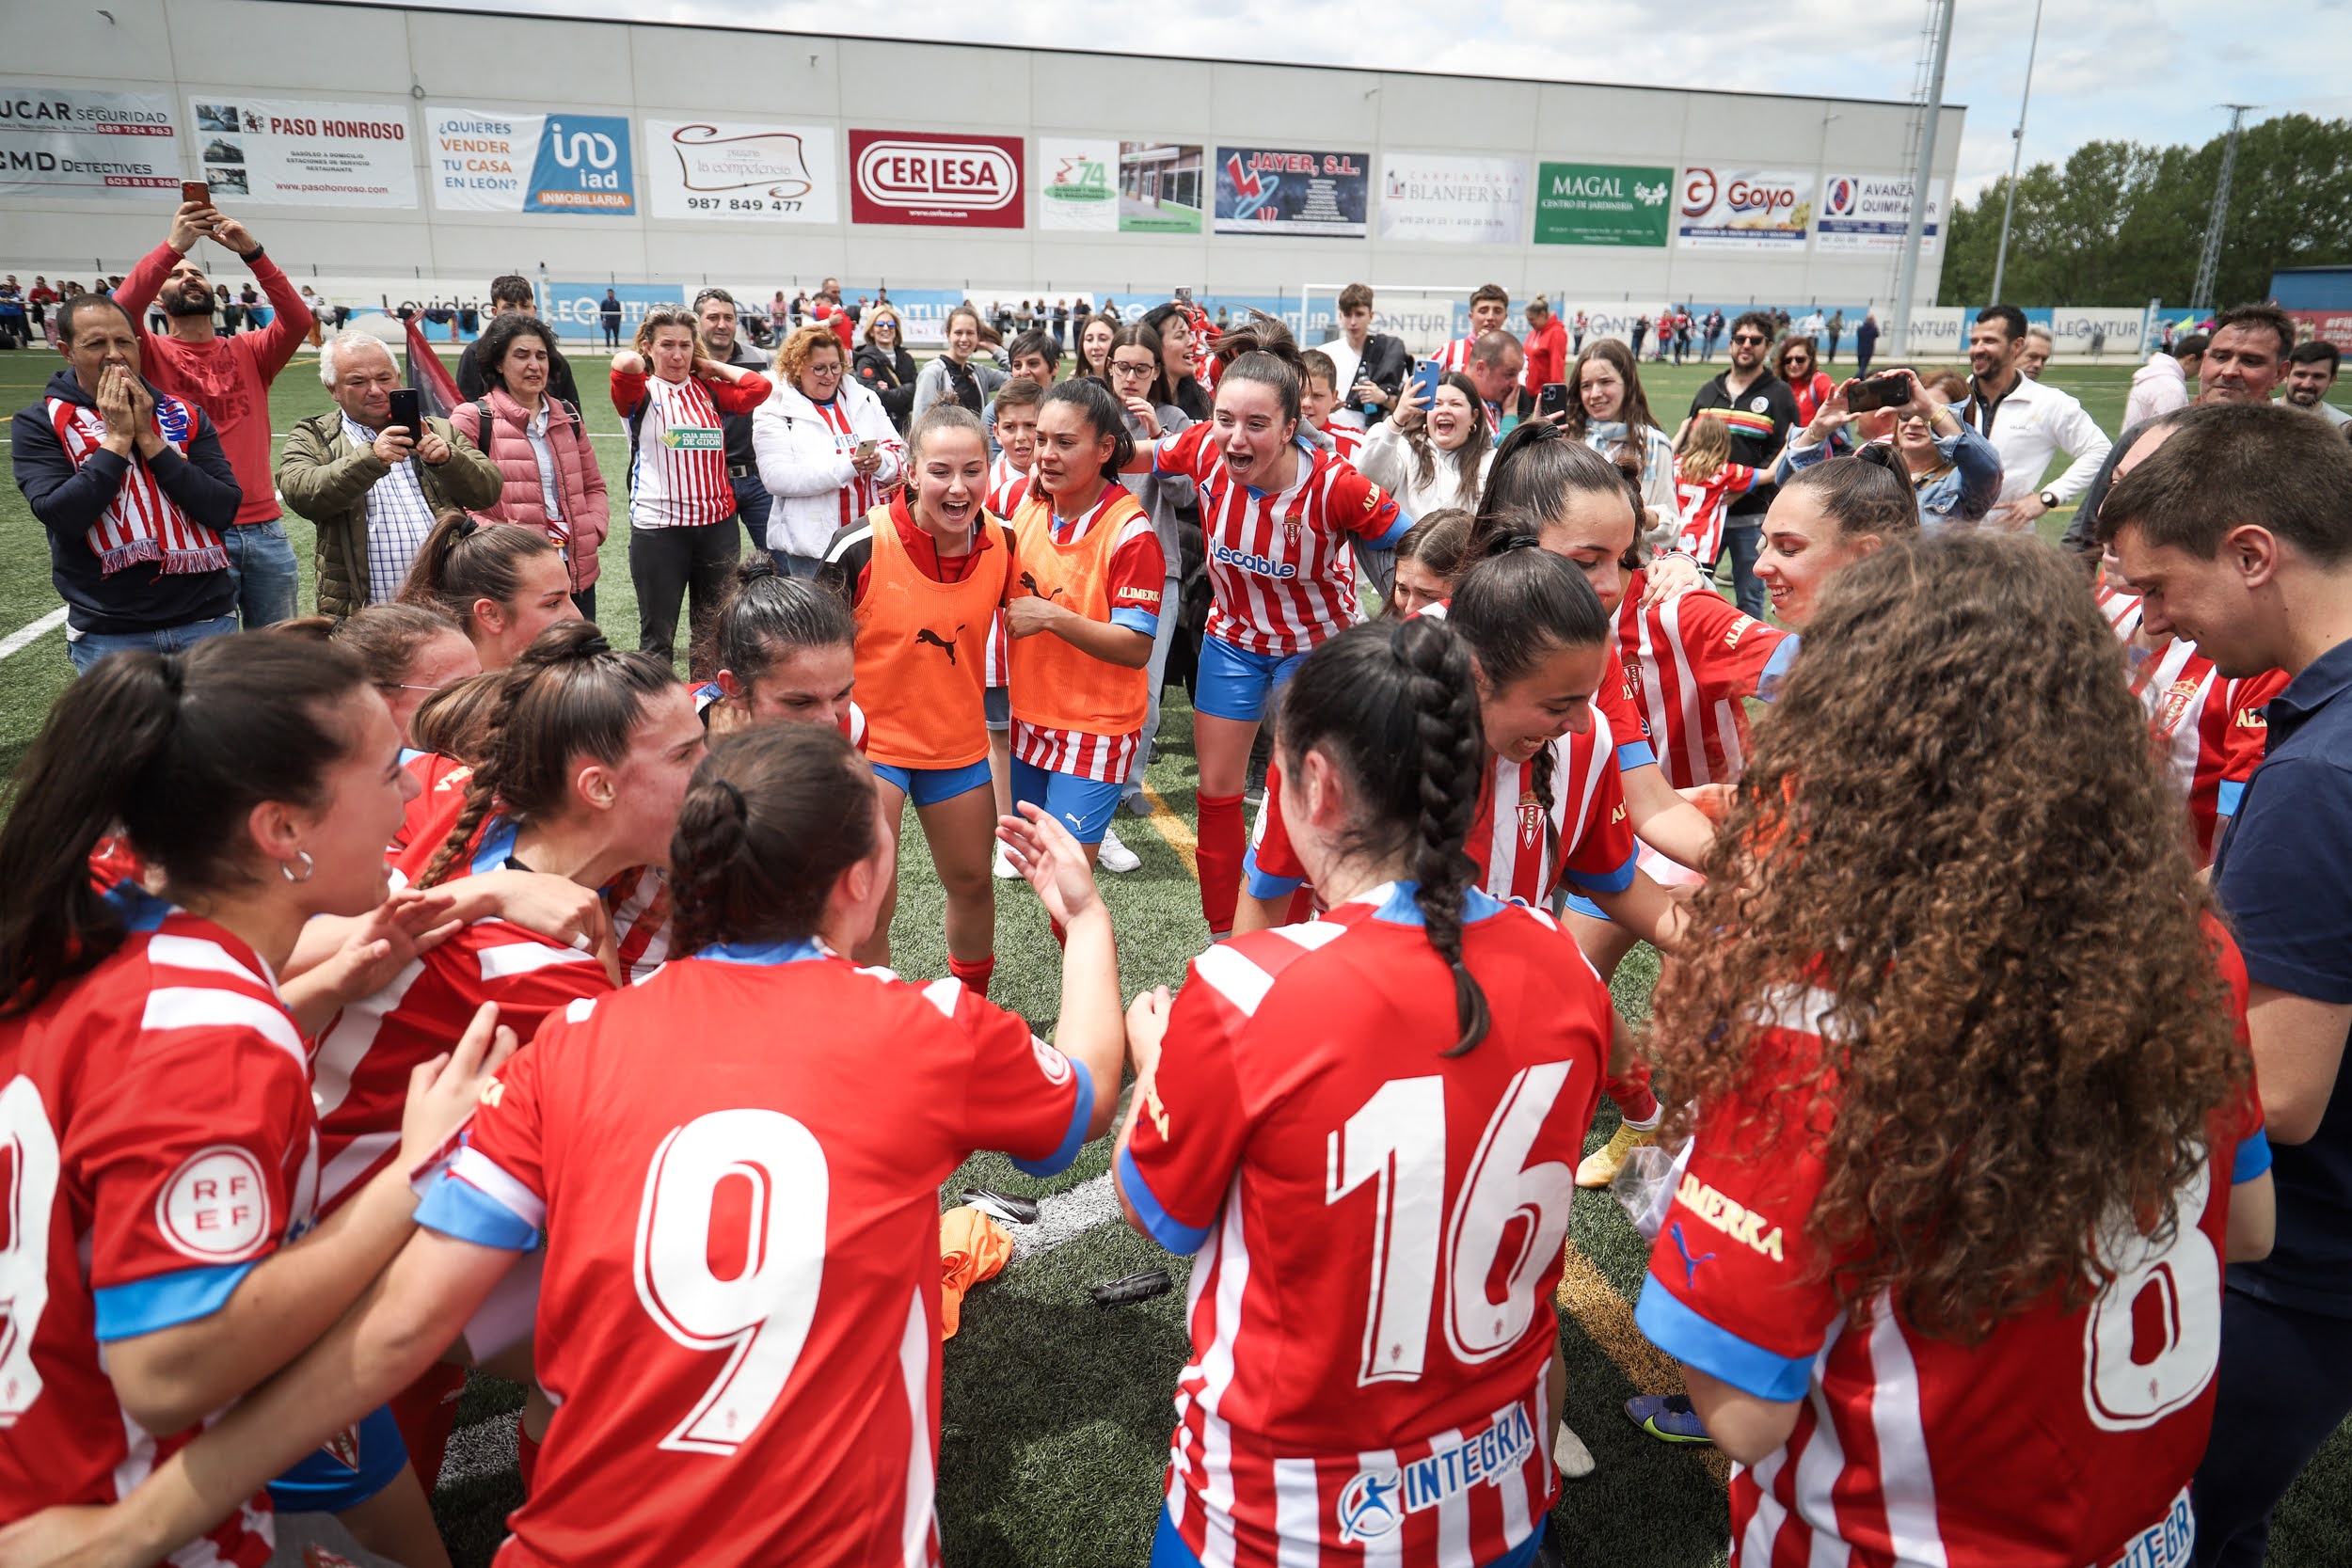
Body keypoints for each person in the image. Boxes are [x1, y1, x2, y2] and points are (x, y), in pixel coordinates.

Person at [37, 721, 1123, 1568]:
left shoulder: (574, 1038)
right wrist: (1088, 928)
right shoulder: (918, 1022)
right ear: (858, 882)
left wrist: (139, 1525)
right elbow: (1076, 1105)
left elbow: (404, 1326)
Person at [1634, 531, 2272, 1566]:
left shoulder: (1827, 1011)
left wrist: (1685, 1189)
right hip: (2142, 1528)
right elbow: (2246, 1223)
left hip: (1910, 1533)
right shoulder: (2187, 941)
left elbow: (1744, 1412)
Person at [0, 632, 510, 1568]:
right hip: (98, 1502)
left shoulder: (102, 916)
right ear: (281, 829)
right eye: (390, 767)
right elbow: (170, 1367)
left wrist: (318, 987)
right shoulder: (212, 1038)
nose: (410, 790)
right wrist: (416, 1167)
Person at [1116, 611, 1613, 1564]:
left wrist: (1151, 1060)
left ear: (1315, 779)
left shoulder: (1248, 987)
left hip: (1282, 1516)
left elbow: (1159, 1213)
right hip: (1496, 1498)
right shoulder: (1563, 962)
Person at [2086, 404, 2352, 1565]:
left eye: (2159, 586)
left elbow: (2279, 1089)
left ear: (2252, 552)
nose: (2152, 620)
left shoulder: (2317, 775)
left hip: (2290, 1266)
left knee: (2182, 1529)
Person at [1129, 325, 1408, 939]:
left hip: (1315, 656)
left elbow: (1414, 539)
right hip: (1231, 645)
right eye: (1225, 418)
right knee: (1218, 795)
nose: (1235, 437)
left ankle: (1323, 931)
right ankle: (1223, 935)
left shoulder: (1337, 484)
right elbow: (1138, 457)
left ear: (1289, 427)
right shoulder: (1204, 448)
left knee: (1317, 801)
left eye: (1256, 424)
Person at [822, 404, 1012, 991]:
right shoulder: (859, 545)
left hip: (957, 745)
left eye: (973, 470)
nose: (958, 487)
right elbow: (808, 652)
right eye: (940, 471)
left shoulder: (1005, 542)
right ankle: (872, 1024)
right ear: (909, 471)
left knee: (974, 882)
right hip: (868, 748)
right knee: (872, 899)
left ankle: (971, 1009)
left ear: (990, 470)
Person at [13, 293, 241, 673]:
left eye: (123, 342)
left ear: (138, 343)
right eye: (96, 344)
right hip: (110, 633)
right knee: (129, 735)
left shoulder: (183, 414)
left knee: (215, 734)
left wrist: (150, 441)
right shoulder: (39, 423)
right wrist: (117, 440)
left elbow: (222, 508)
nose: (114, 354)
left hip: (206, 622)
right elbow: (63, 515)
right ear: (66, 351)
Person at [113, 199, 309, 627]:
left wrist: (251, 252)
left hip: (265, 530)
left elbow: (298, 320)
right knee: (210, 662)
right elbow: (121, 314)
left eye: (196, 272)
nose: (188, 277)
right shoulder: (148, 352)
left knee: (279, 657)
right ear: (158, 299)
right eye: (176, 275)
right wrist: (173, 247)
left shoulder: (250, 350)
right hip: (189, 529)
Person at [1003, 379, 1167, 873]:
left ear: (1105, 449)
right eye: (1041, 440)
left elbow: (1136, 646)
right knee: (1038, 870)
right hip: (1028, 717)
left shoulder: (1131, 533)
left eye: (1065, 443)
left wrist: (1051, 617)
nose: (1046, 455)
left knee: (1066, 881)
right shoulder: (1025, 502)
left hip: (1094, 730)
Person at [280, 329, 504, 619]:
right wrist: (371, 458)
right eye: (358, 381)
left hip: (447, 604)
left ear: (398, 378)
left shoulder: (439, 428)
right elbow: (302, 494)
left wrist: (449, 459)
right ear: (332, 389)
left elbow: (488, 491)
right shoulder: (313, 435)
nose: (375, 390)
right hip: (364, 612)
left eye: (384, 378)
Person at [2064, 305, 2295, 562]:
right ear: (2205, 360)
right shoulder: (2147, 435)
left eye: (2251, 361)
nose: (2229, 371)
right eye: (2220, 357)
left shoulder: (2295, 452)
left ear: (2280, 374)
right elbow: (2082, 537)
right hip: (2133, 596)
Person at [612, 305, 772, 666]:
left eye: (686, 345)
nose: (677, 354)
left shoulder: (709, 390)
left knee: (713, 636)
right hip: (660, 531)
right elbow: (625, 366)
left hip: (717, 529)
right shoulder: (641, 394)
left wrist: (711, 365)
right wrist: (642, 355)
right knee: (658, 638)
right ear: (648, 346)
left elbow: (758, 387)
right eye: (667, 345)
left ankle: (708, 713)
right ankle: (657, 716)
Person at [449, 311, 611, 623]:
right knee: (522, 666)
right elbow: (457, 502)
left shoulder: (568, 415)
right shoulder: (472, 418)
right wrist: (499, 545)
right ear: (498, 362)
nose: (534, 365)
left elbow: (594, 486)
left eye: (541, 355)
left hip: (574, 571)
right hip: (511, 575)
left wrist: (593, 528)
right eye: (521, 355)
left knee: (574, 665)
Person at [1103, 324, 1199, 832]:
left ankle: (1131, 783)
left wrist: (1159, 440)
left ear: (1157, 372)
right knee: (1096, 680)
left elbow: (1187, 498)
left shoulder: (1175, 418)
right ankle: (1094, 776)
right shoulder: (1091, 414)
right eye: (1123, 367)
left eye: (1142, 368)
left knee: (1147, 686)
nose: (1132, 377)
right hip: (1093, 562)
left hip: (1157, 567)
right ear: (1108, 367)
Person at [755, 323, 904, 580]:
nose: (829, 375)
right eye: (819, 368)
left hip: (872, 539)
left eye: (835, 366)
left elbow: (900, 453)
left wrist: (881, 463)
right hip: (814, 549)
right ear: (796, 367)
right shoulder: (774, 408)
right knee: (819, 620)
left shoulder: (865, 398)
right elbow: (777, 477)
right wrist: (847, 466)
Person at [1779, 367, 2003, 533]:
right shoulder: (1871, 460)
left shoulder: (1961, 484)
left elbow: (1987, 470)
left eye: (1925, 415)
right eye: (1907, 411)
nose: (1914, 422)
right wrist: (1816, 430)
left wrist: (1931, 411)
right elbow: (1799, 489)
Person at [1958, 305, 2110, 532]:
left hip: (2007, 544)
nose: (1977, 349)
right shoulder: (1951, 396)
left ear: (2016, 346)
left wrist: (2050, 496)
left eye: (1989, 341)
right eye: (1974, 341)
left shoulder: (2050, 403)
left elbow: (2100, 450)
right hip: (1941, 541)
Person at [1688, 312, 1799, 617]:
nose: (1746, 345)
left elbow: (1786, 448)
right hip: (1705, 515)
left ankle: (1752, 662)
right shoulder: (1709, 391)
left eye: (1755, 340)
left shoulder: (1779, 394)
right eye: (1740, 339)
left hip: (1751, 517)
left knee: (1750, 597)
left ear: (1768, 347)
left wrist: (1743, 486)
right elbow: (1689, 447)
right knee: (1692, 588)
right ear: (1731, 344)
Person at [692, 557, 865, 744]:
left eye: (841, 694)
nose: (830, 720)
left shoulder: (852, 728)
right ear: (735, 688)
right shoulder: (667, 734)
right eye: (800, 703)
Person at [400, 512, 579, 671]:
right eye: (553, 603)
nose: (577, 616)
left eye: (569, 597)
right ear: (490, 614)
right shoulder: (455, 706)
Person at [691, 288, 775, 556]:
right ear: (697, 321)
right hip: (708, 482)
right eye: (713, 317)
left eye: (728, 317)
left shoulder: (761, 360)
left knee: (778, 559)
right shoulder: (683, 363)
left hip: (758, 478)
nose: (722, 324)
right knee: (718, 569)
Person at [1566, 339, 1679, 538]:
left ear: (1628, 383)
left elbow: (1672, 527)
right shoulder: (1569, 442)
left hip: (1636, 563)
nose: (1595, 394)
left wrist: (1643, 517)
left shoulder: (1655, 444)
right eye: (1586, 386)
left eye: (1605, 382)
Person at [1359, 369, 1493, 516]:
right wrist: (1398, 418)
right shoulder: (1405, 450)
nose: (1445, 410)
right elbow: (1367, 477)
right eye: (1437, 404)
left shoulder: (1491, 460)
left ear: (1474, 416)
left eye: (1455, 404)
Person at [456, 276, 581, 410]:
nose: (518, 313)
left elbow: (572, 416)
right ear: (495, 312)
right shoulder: (474, 354)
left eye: (524, 306)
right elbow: (465, 411)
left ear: (534, 311)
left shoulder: (553, 358)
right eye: (509, 307)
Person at [1669, 412, 1762, 567]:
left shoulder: (1677, 464)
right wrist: (1789, 442)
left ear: (1694, 437)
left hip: (1673, 540)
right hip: (1701, 548)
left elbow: (1665, 456)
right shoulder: (1726, 472)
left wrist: (1681, 430)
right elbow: (1771, 474)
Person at [1329, 280, 1409, 429]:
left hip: (1374, 439)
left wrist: (1383, 398)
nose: (1353, 322)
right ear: (1340, 316)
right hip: (1331, 440)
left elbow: (1406, 407)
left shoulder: (1389, 352)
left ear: (1371, 316)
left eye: (1359, 314)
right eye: (1347, 315)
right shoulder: (1326, 353)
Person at [912, 307, 1008, 421]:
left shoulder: (979, 373)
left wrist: (994, 348)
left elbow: (1020, 374)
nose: (964, 339)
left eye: (970, 333)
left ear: (978, 336)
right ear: (948, 334)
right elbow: (919, 421)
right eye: (958, 332)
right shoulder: (933, 372)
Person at [852, 305, 919, 431]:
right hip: (878, 429)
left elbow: (916, 396)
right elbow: (874, 399)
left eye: (891, 324)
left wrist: (891, 392)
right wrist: (908, 389)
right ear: (871, 330)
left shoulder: (906, 358)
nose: (886, 328)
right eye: (880, 324)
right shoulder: (865, 360)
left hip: (904, 428)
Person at [2126, 333, 2207, 428]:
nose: (2202, 370)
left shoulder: (2154, 374)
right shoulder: (2172, 386)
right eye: (2202, 364)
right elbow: (2170, 432)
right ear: (2190, 359)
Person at [2282, 339, 2350, 427]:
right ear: (2285, 375)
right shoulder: (2260, 416)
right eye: (2300, 374)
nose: (2306, 384)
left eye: (2318, 376)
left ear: (2332, 380)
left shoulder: (2343, 426)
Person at [1772, 336, 1834, 426]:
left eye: (1800, 359)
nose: (1793, 364)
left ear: (1810, 359)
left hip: (1813, 439)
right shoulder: (1778, 385)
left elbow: (1834, 396)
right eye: (1788, 360)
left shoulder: (1818, 380)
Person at [1522, 293, 1567, 408]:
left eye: (1532, 319)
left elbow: (1557, 363)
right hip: (1528, 390)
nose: (1530, 323)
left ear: (1542, 314)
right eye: (1528, 320)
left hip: (1544, 392)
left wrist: (1556, 392)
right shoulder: (1533, 333)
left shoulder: (1556, 333)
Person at [1074, 311, 1116, 386]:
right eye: (1089, 339)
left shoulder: (1127, 386)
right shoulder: (1073, 386)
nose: (1095, 346)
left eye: (1103, 339)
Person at [1853, 310, 1879, 377]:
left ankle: (1861, 378)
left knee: (1861, 366)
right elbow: (1877, 335)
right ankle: (1856, 378)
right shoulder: (1873, 329)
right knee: (1863, 367)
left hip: (1860, 350)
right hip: (1868, 350)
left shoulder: (1860, 328)